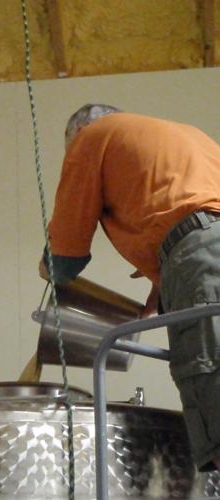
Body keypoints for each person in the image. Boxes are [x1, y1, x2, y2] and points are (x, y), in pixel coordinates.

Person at [38, 103, 220, 473]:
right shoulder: (186, 138)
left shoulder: (91, 138)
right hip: (200, 256)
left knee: (211, 386)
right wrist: (161, 294)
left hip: (199, 259)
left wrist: (47, 269)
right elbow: (194, 218)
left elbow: (66, 257)